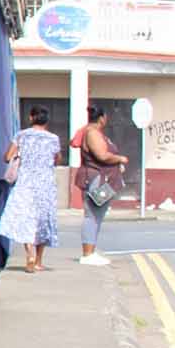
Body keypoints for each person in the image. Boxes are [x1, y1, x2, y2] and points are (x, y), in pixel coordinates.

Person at [0, 105, 63, 272]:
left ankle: (30, 256)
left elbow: (7, 157)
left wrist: (21, 156)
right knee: (43, 220)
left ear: (31, 118)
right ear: (46, 120)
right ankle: (39, 260)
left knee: (27, 218)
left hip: (25, 183)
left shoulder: (21, 136)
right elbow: (57, 159)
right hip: (45, 185)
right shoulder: (53, 138)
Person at [71, 104, 128, 266]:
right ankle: (87, 253)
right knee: (92, 215)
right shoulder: (92, 133)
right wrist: (120, 159)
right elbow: (102, 155)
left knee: (97, 216)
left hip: (102, 178)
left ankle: (91, 251)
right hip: (96, 178)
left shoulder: (92, 132)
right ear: (102, 118)